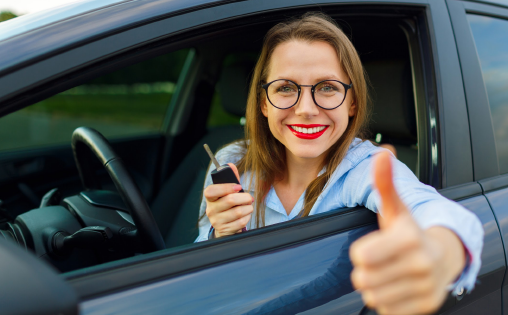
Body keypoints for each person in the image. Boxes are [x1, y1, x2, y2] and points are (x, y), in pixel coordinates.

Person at [196, 12, 483, 314]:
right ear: (264, 103)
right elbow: (196, 274)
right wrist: (219, 235)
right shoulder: (230, 162)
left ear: (352, 101)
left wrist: (440, 251)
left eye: (327, 87)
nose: (306, 109)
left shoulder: (366, 166)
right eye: (285, 88)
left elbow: (430, 208)